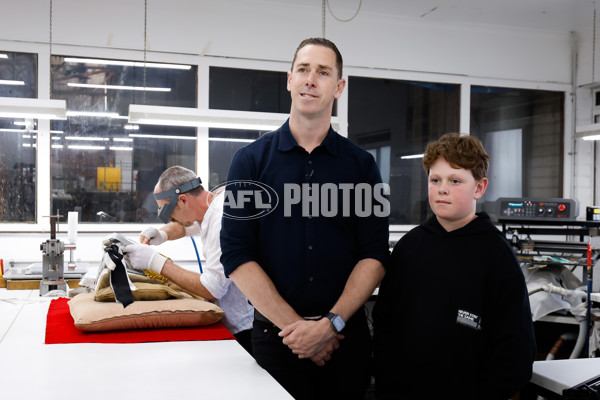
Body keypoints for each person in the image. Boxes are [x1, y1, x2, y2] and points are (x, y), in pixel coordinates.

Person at [219, 37, 390, 400]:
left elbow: (374, 256)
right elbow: (236, 255)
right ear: (289, 79)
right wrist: (300, 331)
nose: (311, 79)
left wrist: (331, 324)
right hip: (276, 340)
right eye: (303, 69)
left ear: (338, 87)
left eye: (323, 72)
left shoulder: (362, 166)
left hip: (345, 341)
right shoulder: (250, 162)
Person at [372, 133, 536, 399]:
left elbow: (515, 350)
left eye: (455, 180)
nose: (442, 188)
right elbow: (384, 325)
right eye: (435, 180)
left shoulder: (497, 256)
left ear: (479, 188)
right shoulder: (408, 247)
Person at [123, 165, 254, 355]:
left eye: (168, 212)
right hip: (234, 319)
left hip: (246, 326)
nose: (169, 219)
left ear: (183, 199)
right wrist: (161, 234)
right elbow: (186, 227)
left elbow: (212, 289)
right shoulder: (211, 201)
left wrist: (156, 262)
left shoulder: (222, 218)